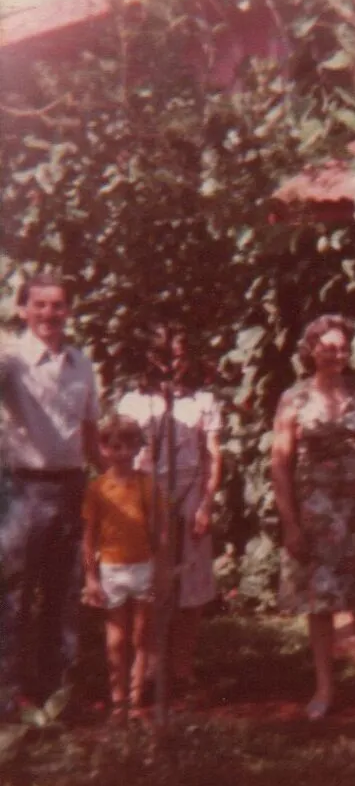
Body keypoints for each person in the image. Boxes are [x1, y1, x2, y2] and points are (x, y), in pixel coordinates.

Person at [271, 314, 355, 721]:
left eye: (342, 347)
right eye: (328, 347)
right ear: (311, 351)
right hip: (314, 516)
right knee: (319, 604)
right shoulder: (294, 399)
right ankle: (325, 688)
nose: (337, 354)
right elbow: (280, 462)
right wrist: (289, 522)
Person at [0, 273, 101, 720]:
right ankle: (10, 692)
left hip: (73, 486)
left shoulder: (82, 363)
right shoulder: (10, 358)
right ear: (23, 310)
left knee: (65, 592)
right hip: (22, 487)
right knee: (15, 594)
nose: (49, 314)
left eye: (57, 305)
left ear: (68, 311)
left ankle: (58, 689)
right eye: (39, 305)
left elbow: (91, 429)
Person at [117, 325, 222, 701]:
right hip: (147, 495)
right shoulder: (134, 403)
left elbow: (212, 455)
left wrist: (206, 502)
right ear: (149, 358)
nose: (171, 363)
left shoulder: (201, 402)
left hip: (190, 494)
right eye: (163, 355)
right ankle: (144, 670)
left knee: (189, 585)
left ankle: (181, 669)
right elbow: (122, 457)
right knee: (148, 586)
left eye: (178, 355)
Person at [82, 414, 166, 721]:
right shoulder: (98, 489)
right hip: (112, 569)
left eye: (127, 446)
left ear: (136, 449)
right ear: (104, 449)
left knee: (142, 635)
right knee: (116, 637)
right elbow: (89, 536)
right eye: (113, 446)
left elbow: (161, 532)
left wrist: (160, 569)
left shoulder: (148, 485)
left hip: (143, 566)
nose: (120, 453)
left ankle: (135, 698)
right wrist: (91, 577)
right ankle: (118, 700)